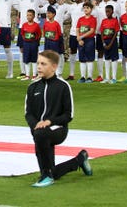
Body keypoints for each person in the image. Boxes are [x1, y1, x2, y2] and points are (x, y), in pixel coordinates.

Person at [25, 50, 93, 187]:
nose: (38, 67)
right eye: (38, 63)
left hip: (58, 129)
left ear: (54, 67)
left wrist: (50, 122)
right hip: (39, 131)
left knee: (40, 135)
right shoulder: (32, 87)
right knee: (52, 171)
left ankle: (46, 176)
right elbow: (28, 113)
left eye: (43, 64)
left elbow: (69, 115)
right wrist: (36, 124)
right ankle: (80, 159)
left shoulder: (63, 86)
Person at [76, 2, 97, 83]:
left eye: (87, 8)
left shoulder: (93, 19)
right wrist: (79, 38)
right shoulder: (80, 19)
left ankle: (89, 77)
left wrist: (81, 37)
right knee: (82, 59)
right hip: (81, 40)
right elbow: (77, 29)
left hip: (89, 40)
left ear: (91, 9)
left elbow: (92, 30)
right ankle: (82, 76)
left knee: (89, 59)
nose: (85, 9)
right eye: (84, 8)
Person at [18, 9, 41, 80]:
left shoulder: (36, 25)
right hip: (26, 44)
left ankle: (34, 75)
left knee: (34, 59)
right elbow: (22, 34)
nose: (28, 17)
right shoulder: (24, 25)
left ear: (34, 16)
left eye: (30, 15)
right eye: (27, 15)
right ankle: (27, 76)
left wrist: (36, 42)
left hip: (34, 44)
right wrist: (25, 41)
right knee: (26, 59)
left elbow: (39, 35)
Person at [100, 5, 120, 84]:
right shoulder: (104, 21)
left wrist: (110, 43)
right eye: (106, 11)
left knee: (114, 59)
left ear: (112, 11)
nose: (107, 13)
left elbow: (115, 32)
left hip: (112, 42)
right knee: (107, 59)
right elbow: (102, 32)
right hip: (105, 41)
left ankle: (114, 77)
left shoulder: (115, 21)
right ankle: (107, 77)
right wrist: (104, 43)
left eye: (109, 11)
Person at [42, 6, 64, 75]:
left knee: (56, 58)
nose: (48, 15)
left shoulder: (56, 24)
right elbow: (44, 33)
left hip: (55, 43)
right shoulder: (46, 23)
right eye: (47, 13)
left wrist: (60, 46)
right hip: (48, 42)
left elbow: (59, 34)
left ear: (54, 14)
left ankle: (58, 73)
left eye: (49, 13)